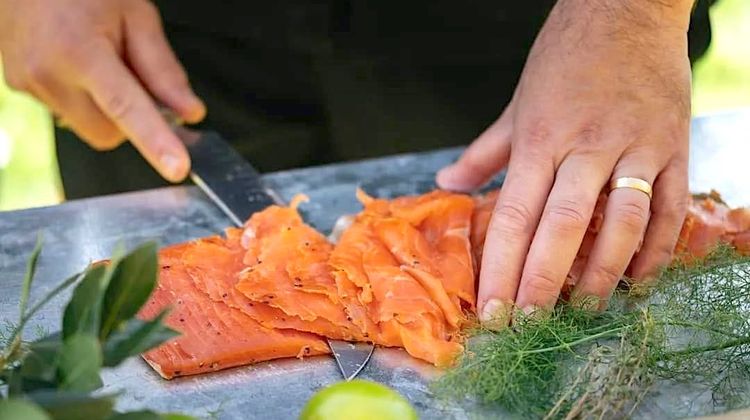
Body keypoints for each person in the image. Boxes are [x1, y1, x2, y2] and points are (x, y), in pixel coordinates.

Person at [0, 0, 715, 328]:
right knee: (141, 320)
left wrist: (636, 15)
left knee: (572, 252)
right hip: (182, 43)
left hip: (527, 35)